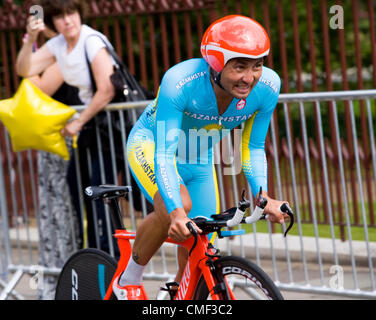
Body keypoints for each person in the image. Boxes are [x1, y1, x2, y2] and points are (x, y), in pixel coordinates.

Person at [112, 15, 290, 300]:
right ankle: (128, 279)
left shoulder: (267, 87)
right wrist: (176, 213)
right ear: (217, 63)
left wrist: (263, 197)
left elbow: (254, 147)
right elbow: (164, 153)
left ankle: (179, 297)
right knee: (177, 206)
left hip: (199, 158)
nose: (250, 77)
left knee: (200, 240)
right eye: (240, 66)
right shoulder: (180, 81)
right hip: (151, 146)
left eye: (257, 65)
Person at [15, 0, 146, 257]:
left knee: (103, 191)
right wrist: (30, 37)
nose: (68, 20)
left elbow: (107, 89)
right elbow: (25, 69)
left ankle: (113, 258)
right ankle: (98, 256)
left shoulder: (91, 40)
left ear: (79, 14)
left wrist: (78, 120)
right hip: (94, 128)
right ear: (53, 22)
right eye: (61, 16)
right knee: (79, 186)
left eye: (71, 13)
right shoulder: (58, 45)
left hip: (114, 128)